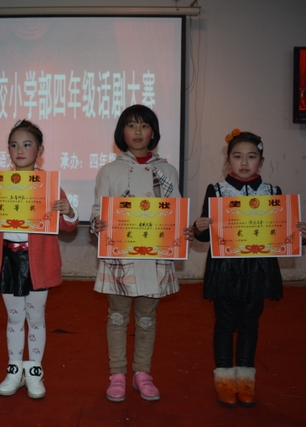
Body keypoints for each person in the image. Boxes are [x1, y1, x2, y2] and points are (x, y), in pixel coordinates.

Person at [193, 129, 306, 407]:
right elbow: (204, 234)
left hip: (258, 270)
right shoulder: (216, 190)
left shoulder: (273, 192)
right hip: (225, 270)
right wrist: (198, 227)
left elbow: (284, 234)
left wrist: (303, 235)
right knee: (225, 324)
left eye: (251, 156)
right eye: (237, 156)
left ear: (261, 160)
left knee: (250, 324)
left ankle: (246, 381)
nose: (244, 162)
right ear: (228, 160)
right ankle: (224, 381)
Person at [0, 119, 78, 399]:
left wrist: (69, 211)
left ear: (40, 150)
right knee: (14, 319)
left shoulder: (50, 186)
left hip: (38, 263)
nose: (20, 150)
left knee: (36, 318)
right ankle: (14, 370)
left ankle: (35, 371)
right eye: (14, 145)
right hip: (7, 260)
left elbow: (68, 226)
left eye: (27, 144)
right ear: (8, 150)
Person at [90, 104, 194, 403]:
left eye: (144, 125)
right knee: (117, 317)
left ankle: (142, 373)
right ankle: (117, 375)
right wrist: (97, 224)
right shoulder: (110, 171)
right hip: (120, 257)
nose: (138, 131)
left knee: (147, 318)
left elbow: (175, 211)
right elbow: (98, 210)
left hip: (155, 256)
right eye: (131, 125)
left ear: (153, 133)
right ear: (121, 132)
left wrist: (182, 231)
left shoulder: (167, 170)